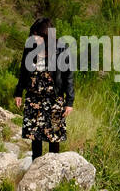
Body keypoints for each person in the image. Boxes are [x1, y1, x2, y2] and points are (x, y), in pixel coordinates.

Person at [13, 17, 74, 160]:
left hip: (54, 98)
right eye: (33, 34)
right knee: (35, 135)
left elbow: (69, 76)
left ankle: (53, 167)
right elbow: (23, 70)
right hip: (34, 97)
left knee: (53, 136)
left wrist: (69, 102)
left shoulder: (61, 49)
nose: (35, 38)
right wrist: (18, 92)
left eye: (39, 35)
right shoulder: (30, 47)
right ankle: (35, 166)